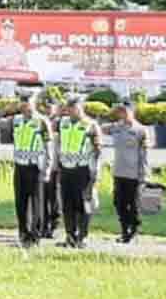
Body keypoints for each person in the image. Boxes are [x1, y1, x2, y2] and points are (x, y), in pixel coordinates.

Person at [0, 93, 53, 248]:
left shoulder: (41, 121)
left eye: (27, 103)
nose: (25, 106)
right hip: (20, 165)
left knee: (36, 203)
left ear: (34, 104)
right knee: (20, 202)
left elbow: (49, 146)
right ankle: (23, 233)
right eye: (22, 103)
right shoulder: (16, 120)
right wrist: (5, 110)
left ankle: (35, 235)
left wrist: (47, 168)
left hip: (35, 166)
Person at [55, 96, 103, 249]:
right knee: (67, 205)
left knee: (83, 204)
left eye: (73, 108)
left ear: (81, 108)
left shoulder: (91, 125)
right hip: (66, 169)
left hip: (83, 170)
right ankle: (70, 236)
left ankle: (82, 237)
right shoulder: (62, 123)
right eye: (68, 108)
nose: (70, 110)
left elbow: (97, 151)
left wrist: (95, 172)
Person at [106, 100, 151, 244]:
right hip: (119, 172)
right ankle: (124, 229)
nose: (122, 114)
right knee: (119, 203)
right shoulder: (117, 128)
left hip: (134, 173)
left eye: (125, 111)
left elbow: (144, 155)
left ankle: (133, 230)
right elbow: (100, 128)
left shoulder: (141, 130)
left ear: (132, 112)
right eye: (120, 111)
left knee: (133, 204)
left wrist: (144, 174)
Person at [42, 98, 63, 239]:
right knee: (42, 198)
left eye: (51, 107)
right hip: (41, 166)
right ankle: (43, 225)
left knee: (53, 197)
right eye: (47, 107)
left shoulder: (61, 123)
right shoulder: (43, 122)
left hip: (55, 166)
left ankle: (53, 224)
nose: (49, 109)